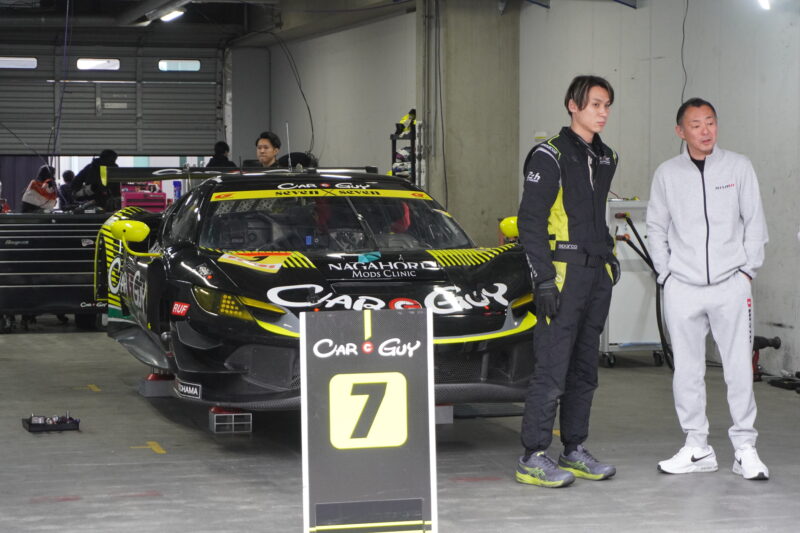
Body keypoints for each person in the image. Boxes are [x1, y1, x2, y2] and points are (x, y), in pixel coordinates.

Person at [647, 98, 769, 480]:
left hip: (731, 284)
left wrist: (746, 272)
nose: (705, 130)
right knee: (687, 370)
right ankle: (697, 447)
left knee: (738, 368)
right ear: (680, 131)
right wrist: (666, 275)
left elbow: (755, 222)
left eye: (711, 122)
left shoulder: (739, 167)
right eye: (696, 124)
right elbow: (656, 227)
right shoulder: (667, 174)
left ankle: (745, 449)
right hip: (682, 286)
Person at [515, 75, 620, 488]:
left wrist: (609, 257)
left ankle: (573, 449)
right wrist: (542, 279)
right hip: (562, 275)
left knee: (584, 369)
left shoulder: (607, 157)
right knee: (552, 368)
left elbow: (597, 215)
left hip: (596, 275)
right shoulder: (550, 155)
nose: (602, 112)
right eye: (595, 104)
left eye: (607, 105)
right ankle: (532, 456)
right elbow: (530, 221)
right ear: (573, 105)